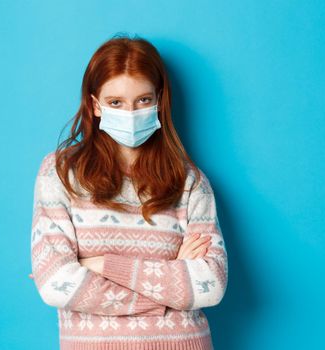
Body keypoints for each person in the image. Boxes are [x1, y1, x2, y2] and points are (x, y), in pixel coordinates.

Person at [29, 33, 228, 350]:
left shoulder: (190, 182)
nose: (131, 112)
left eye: (143, 100)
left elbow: (210, 285)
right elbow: (55, 284)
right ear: (96, 106)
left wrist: (99, 264)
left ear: (159, 101)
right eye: (116, 102)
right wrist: (169, 291)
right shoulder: (60, 173)